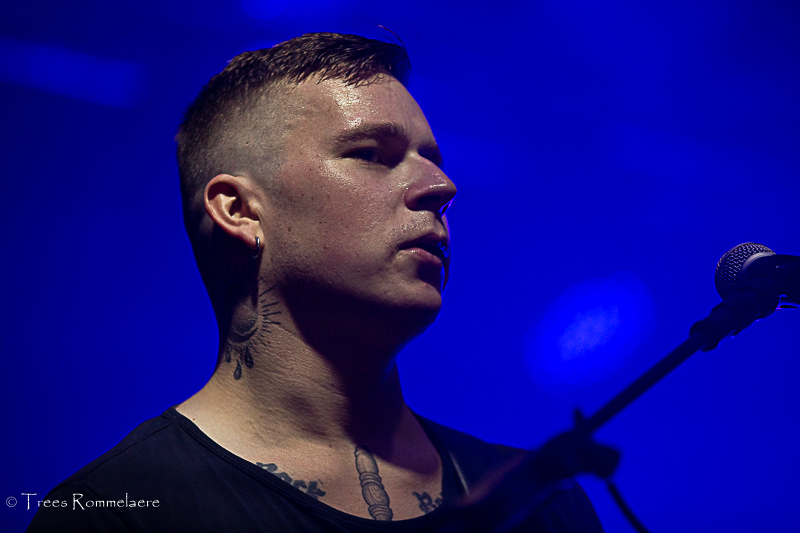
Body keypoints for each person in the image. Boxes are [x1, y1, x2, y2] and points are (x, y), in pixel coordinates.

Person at [27, 32, 610, 532]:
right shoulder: (116, 509)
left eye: (433, 159)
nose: (441, 186)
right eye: (372, 154)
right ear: (239, 210)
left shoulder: (543, 506)